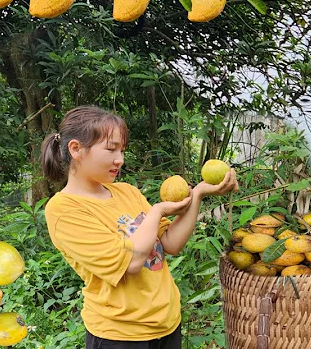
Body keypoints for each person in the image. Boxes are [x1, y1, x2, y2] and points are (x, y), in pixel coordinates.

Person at [40, 105, 239, 349]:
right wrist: (157, 211)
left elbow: (170, 244)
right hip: (120, 335)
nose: (120, 160)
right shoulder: (64, 210)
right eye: (111, 149)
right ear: (76, 149)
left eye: (122, 150)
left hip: (167, 323)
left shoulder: (127, 192)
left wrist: (198, 194)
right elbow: (132, 262)